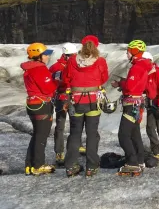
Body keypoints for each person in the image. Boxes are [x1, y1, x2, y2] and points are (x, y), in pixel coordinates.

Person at [63, 35, 108, 177]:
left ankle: (71, 166)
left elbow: (65, 78)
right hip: (93, 101)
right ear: (96, 46)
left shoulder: (72, 60)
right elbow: (104, 78)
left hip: (76, 101)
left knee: (75, 134)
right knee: (92, 134)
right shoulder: (100, 61)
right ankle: (91, 166)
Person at [111, 40, 152, 176]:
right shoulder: (143, 65)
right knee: (135, 134)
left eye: (128, 50)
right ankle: (139, 160)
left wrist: (121, 84)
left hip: (131, 104)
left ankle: (132, 162)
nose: (127, 53)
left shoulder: (137, 67)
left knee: (123, 135)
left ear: (134, 51)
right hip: (137, 103)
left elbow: (130, 87)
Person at [22, 43, 57, 176]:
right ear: (38, 56)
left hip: (32, 104)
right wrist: (56, 81)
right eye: (45, 54)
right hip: (42, 105)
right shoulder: (39, 69)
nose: (48, 57)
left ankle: (29, 164)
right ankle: (38, 165)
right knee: (41, 135)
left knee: (37, 134)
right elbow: (48, 89)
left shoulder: (29, 69)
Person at [49, 42, 86, 166]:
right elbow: (53, 83)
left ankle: (78, 144)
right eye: (70, 55)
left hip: (75, 96)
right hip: (62, 97)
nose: (73, 57)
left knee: (77, 122)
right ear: (64, 55)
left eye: (74, 55)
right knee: (60, 124)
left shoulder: (78, 64)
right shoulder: (56, 67)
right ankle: (59, 151)